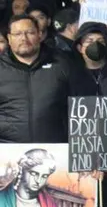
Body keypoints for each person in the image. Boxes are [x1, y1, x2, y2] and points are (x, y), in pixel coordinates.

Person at [0, 16, 73, 144]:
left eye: (30, 32)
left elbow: (77, 107)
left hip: (55, 151)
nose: (24, 38)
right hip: (7, 152)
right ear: (9, 38)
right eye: (17, 34)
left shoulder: (62, 64)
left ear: (39, 34)